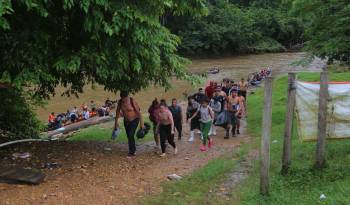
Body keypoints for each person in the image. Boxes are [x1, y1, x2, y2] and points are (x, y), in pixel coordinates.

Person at [114, 91, 145, 157]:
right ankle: (132, 148)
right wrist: (116, 123)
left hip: (135, 120)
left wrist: (141, 124)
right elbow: (117, 112)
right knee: (129, 136)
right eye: (122, 99)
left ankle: (132, 152)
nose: (123, 100)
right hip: (126, 121)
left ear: (127, 97)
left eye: (124, 99)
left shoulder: (132, 101)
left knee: (131, 135)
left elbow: (139, 113)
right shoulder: (120, 102)